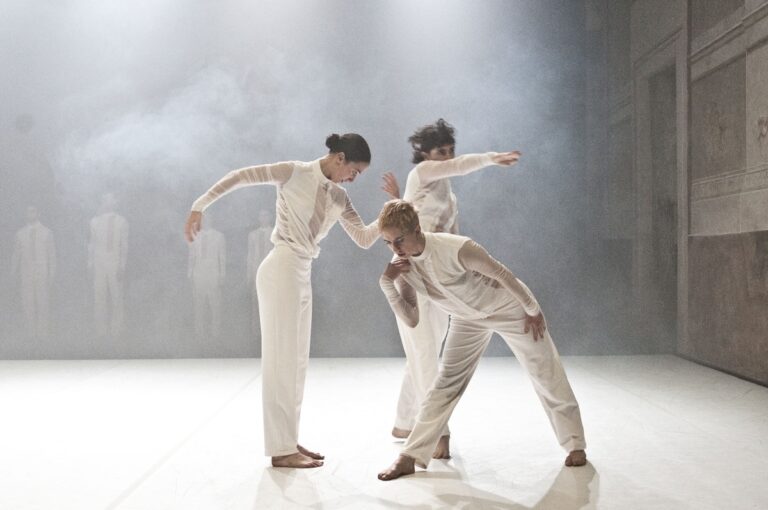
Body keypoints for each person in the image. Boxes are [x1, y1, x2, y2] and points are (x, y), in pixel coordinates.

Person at [184, 133, 379, 469]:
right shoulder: (294, 172)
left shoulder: (340, 198)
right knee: (281, 362)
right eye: (355, 171)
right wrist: (199, 205)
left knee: (297, 365)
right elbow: (241, 177)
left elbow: (363, 238)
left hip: (303, 273)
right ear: (340, 158)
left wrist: (392, 215)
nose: (354, 179)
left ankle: (288, 441)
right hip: (281, 268)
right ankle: (280, 449)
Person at [375, 200, 586, 481]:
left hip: (509, 309)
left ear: (416, 229)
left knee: (544, 371)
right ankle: (409, 456)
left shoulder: (456, 247)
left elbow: (502, 273)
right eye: (388, 243)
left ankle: (575, 444)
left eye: (399, 240)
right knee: (445, 383)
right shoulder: (401, 266)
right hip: (466, 319)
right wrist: (387, 284)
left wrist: (532, 309)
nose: (395, 249)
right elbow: (412, 318)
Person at [380, 119, 522, 458]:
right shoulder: (423, 173)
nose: (447, 157)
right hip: (414, 273)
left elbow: (449, 234)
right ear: (426, 155)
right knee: (426, 352)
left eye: (450, 151)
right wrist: (491, 158)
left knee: (425, 350)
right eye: (440, 152)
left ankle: (404, 422)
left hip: (441, 278)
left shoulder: (447, 193)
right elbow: (457, 169)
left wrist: (470, 273)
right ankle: (438, 434)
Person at [10, 206, 56, 339]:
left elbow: (52, 255)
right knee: (27, 303)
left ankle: (43, 334)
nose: (30, 214)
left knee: (42, 302)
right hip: (26, 273)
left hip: (42, 273)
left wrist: (51, 273)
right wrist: (14, 272)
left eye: (33, 211)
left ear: (38, 213)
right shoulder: (20, 234)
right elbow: (16, 255)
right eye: (28, 211)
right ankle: (30, 334)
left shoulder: (47, 233)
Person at [89, 193, 129, 337]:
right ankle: (100, 332)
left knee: (116, 297)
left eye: (111, 199)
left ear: (115, 202)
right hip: (99, 263)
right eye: (105, 199)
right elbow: (91, 244)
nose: (108, 202)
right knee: (99, 297)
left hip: (114, 263)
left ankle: (116, 332)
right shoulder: (94, 221)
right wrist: (90, 264)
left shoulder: (121, 221)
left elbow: (124, 246)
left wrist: (122, 266)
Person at [188, 217, 226, 339]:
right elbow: (192, 255)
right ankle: (199, 334)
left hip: (213, 274)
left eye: (208, 219)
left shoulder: (219, 236)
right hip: (198, 274)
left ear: (212, 220)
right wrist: (190, 273)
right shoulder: (195, 235)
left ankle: (216, 334)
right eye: (203, 220)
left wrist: (222, 274)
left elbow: (222, 256)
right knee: (198, 305)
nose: (206, 222)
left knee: (215, 305)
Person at [247, 210, 273, 335]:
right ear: (258, 218)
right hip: (256, 271)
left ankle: (270, 331)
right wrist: (249, 274)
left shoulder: (275, 233)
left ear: (270, 217)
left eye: (266, 215)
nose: (264, 218)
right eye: (261, 215)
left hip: (271, 273)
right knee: (255, 301)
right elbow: (250, 256)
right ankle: (255, 331)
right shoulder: (252, 235)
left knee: (272, 302)